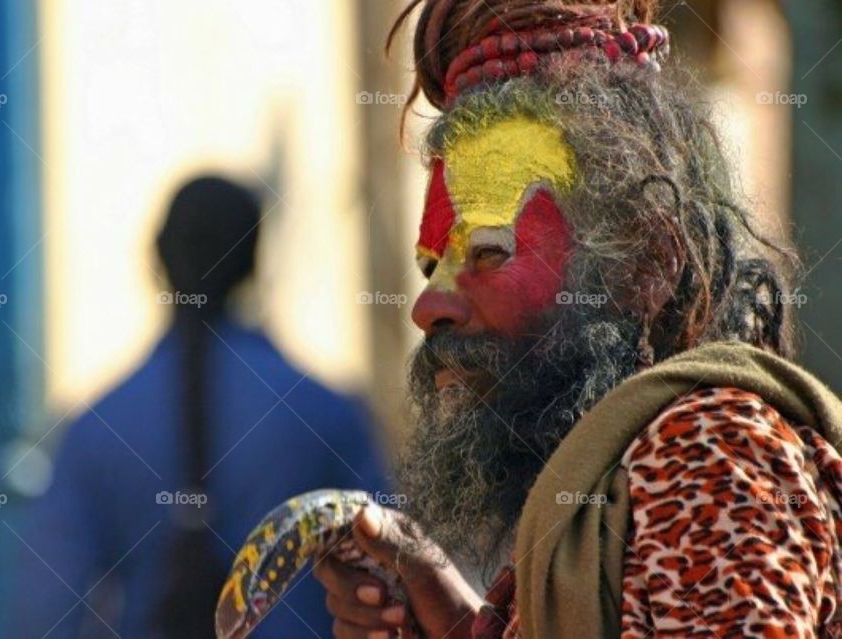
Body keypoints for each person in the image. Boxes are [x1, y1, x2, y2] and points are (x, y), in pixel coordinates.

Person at [313, 1, 842, 638]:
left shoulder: (711, 455)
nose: (429, 307)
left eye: (489, 251)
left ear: (645, 265)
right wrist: (460, 625)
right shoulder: (616, 479)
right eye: (432, 267)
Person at [16, 176, 386, 637]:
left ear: (157, 257)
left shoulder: (98, 428)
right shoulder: (325, 415)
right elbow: (389, 570)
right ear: (253, 263)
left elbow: (44, 606)